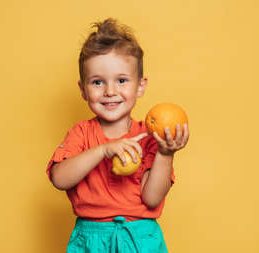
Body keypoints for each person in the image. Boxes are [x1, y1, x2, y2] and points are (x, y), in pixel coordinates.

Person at [46, 18, 189, 252]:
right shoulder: (82, 133)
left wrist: (166, 152)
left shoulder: (150, 135)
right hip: (92, 238)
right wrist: (102, 150)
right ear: (83, 89)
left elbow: (152, 199)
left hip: (140, 238)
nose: (110, 91)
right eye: (97, 82)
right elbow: (59, 179)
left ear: (140, 86)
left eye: (121, 80)